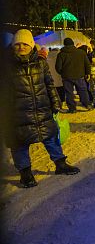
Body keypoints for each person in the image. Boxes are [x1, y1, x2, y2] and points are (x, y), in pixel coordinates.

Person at [8, 29, 80, 188]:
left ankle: (60, 164)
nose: (21, 47)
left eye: (25, 44)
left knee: (51, 136)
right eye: (17, 44)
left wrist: (55, 103)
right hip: (17, 113)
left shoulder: (40, 63)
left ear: (31, 45)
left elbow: (49, 84)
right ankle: (25, 173)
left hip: (41, 108)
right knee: (19, 143)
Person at [55, 37, 92, 113]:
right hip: (79, 75)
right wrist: (88, 73)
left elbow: (58, 67)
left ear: (64, 44)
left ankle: (72, 108)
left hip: (67, 77)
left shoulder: (61, 54)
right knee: (83, 90)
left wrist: (63, 73)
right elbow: (87, 64)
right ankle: (87, 104)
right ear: (73, 44)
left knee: (69, 93)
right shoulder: (81, 52)